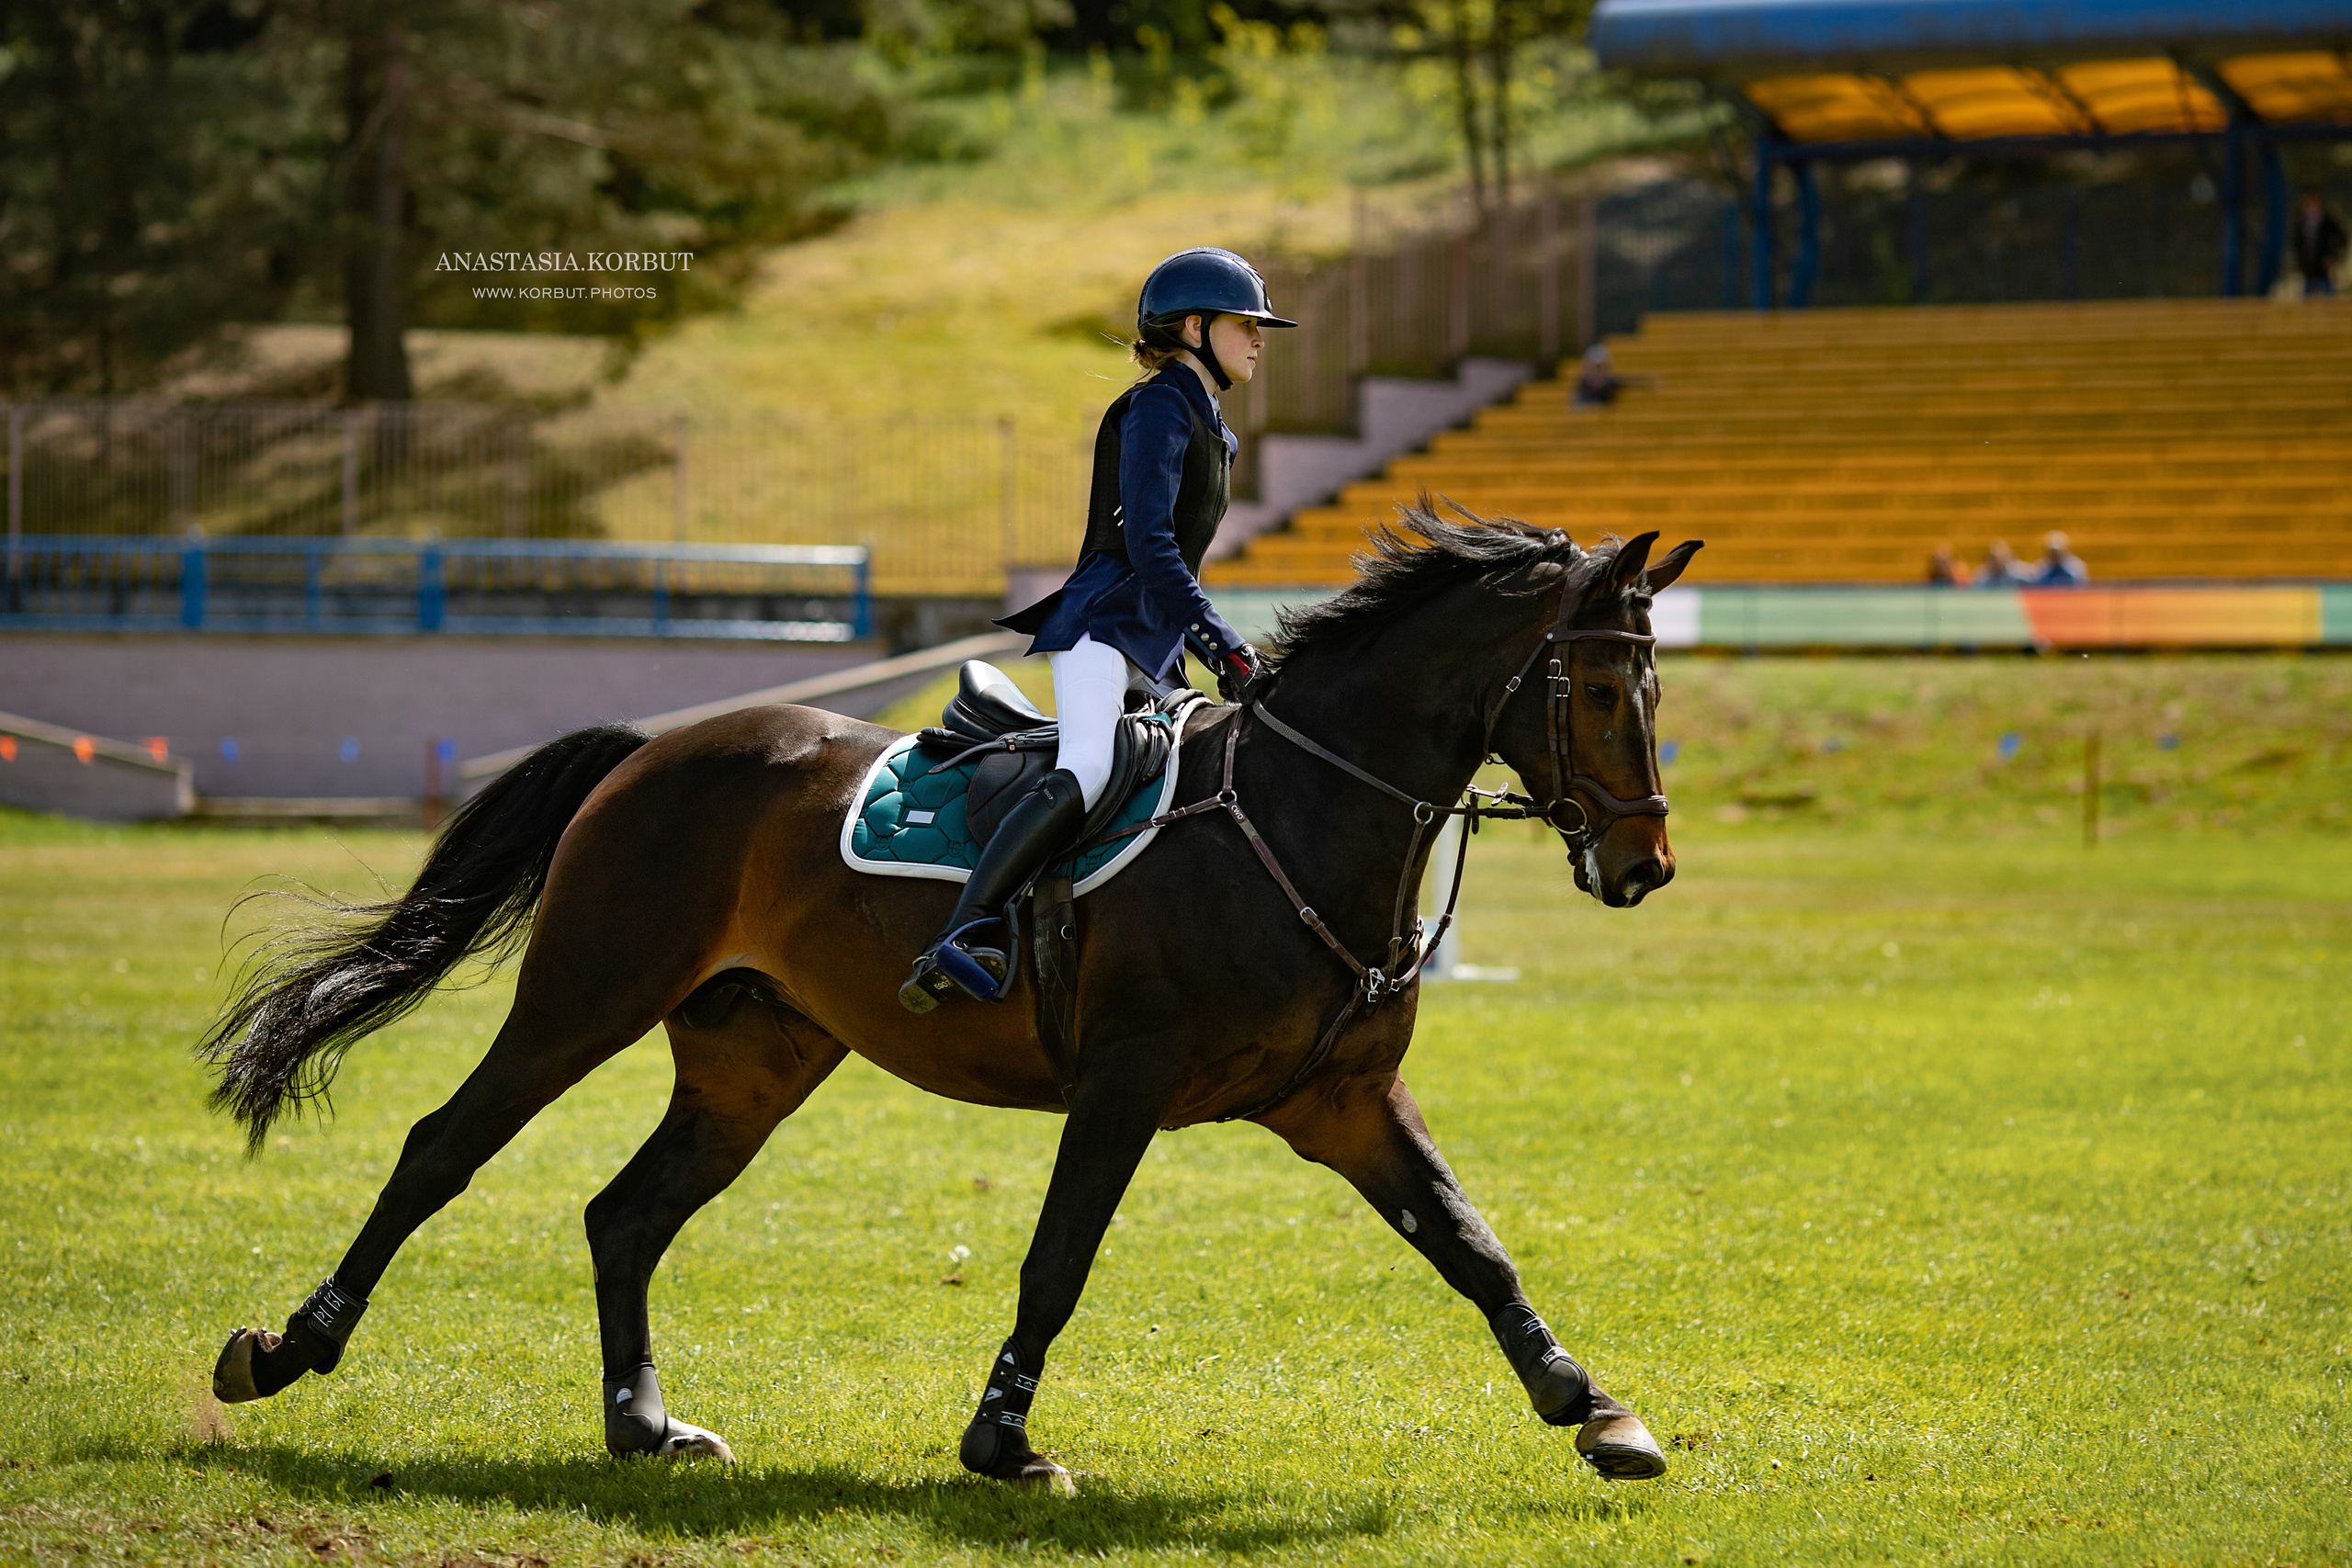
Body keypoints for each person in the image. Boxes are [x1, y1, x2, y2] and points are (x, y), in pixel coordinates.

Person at [897, 247, 1295, 1014]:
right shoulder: (1158, 405)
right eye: (1246, 325)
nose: (1259, 339)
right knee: (1087, 767)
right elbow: (1149, 546)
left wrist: (1205, 645)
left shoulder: (1213, 423)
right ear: (1193, 327)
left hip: (1156, 646)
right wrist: (1225, 642)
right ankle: (964, 930)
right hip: (1106, 626)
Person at [2293, 188, 2346, 299]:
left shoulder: (2327, 221)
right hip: (2308, 269)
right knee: (2306, 304)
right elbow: (2296, 244)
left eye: (2313, 202)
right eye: (2308, 202)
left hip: (2324, 269)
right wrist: (2300, 262)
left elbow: (2342, 238)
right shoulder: (2301, 222)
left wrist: (2333, 256)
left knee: (2330, 301)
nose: (2311, 206)